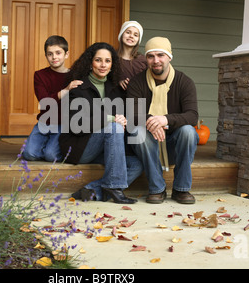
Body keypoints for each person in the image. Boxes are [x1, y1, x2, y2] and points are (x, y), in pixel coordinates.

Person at [59, 42, 143, 204]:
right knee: (113, 126)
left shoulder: (115, 89)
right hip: (79, 146)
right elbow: (76, 125)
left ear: (113, 64)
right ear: (90, 62)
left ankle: (92, 190)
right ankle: (115, 186)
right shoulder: (78, 88)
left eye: (107, 61)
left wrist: (123, 119)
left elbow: (123, 116)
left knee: (136, 164)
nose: (103, 65)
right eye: (98, 60)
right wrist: (112, 119)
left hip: (103, 148)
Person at [126, 37, 199, 204]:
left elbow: (192, 115)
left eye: (160, 55)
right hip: (147, 147)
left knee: (188, 131)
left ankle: (181, 190)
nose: (155, 60)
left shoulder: (184, 82)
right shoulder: (137, 82)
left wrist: (165, 120)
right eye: (151, 56)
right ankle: (157, 189)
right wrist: (152, 122)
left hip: (174, 145)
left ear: (169, 57)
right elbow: (131, 114)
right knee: (138, 132)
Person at [22, 35, 83, 162]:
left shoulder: (75, 76)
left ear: (66, 54)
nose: (54, 57)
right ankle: (44, 146)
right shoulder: (40, 75)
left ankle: (47, 149)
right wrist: (66, 90)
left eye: (58, 53)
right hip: (45, 122)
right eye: (50, 54)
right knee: (29, 154)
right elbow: (45, 102)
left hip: (63, 124)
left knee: (51, 156)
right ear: (46, 56)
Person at [117, 21, 147, 90]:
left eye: (135, 35)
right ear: (121, 34)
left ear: (138, 40)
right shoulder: (112, 58)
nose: (131, 36)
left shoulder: (143, 60)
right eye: (128, 32)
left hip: (138, 99)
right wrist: (119, 82)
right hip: (116, 98)